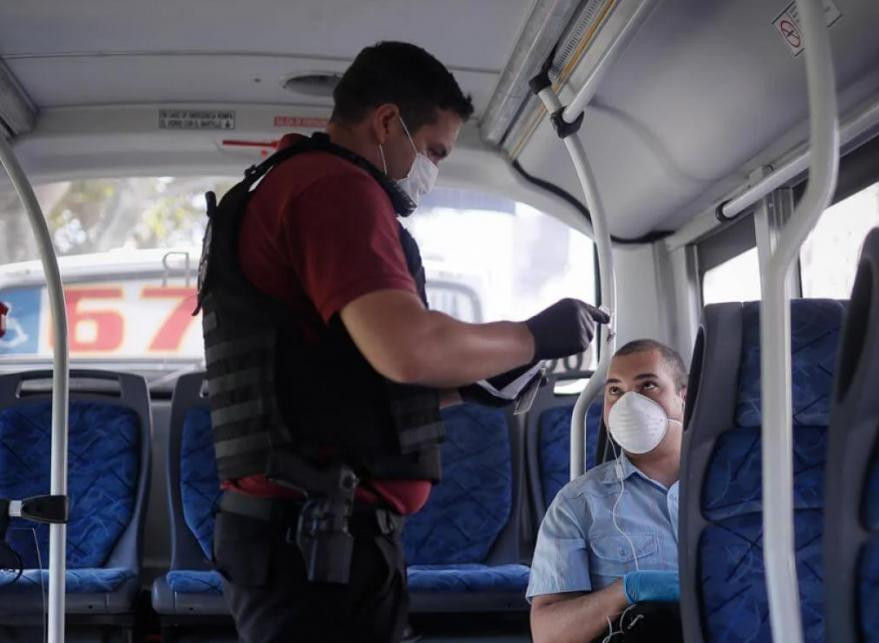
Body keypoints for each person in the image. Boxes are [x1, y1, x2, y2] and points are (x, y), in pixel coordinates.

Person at [198, 42, 608, 643]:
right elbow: (409, 349)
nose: (432, 170)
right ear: (388, 122)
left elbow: (333, 387)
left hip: (308, 536)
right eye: (435, 150)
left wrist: (472, 385)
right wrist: (532, 335)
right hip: (313, 543)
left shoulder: (289, 187)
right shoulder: (334, 190)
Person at [528, 339, 688, 643]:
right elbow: (547, 634)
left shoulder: (736, 487)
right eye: (615, 390)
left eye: (648, 386)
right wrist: (624, 592)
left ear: (684, 398)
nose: (629, 402)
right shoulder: (576, 504)